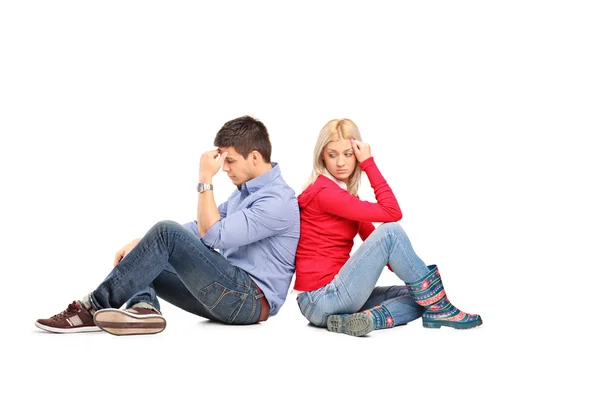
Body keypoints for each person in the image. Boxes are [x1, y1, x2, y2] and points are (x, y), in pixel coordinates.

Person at [35, 115, 300, 335]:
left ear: (254, 157)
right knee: (143, 256)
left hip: (248, 301)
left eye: (229, 160)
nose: (225, 169)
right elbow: (200, 227)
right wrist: (143, 244)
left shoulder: (277, 200)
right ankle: (144, 308)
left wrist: (205, 178)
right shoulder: (244, 193)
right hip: (229, 293)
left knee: (166, 232)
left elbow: (213, 234)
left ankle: (91, 308)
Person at [294, 118, 482, 337]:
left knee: (419, 297)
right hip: (321, 298)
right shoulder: (326, 193)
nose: (340, 163)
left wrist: (413, 276)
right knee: (391, 231)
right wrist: (369, 163)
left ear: (355, 153)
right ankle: (441, 306)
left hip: (335, 299)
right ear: (322, 157)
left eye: (348, 154)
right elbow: (393, 213)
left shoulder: (344, 196)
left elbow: (375, 241)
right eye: (332, 154)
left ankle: (364, 320)